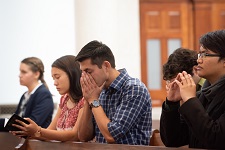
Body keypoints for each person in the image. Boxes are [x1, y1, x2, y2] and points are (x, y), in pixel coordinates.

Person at [76, 40, 152, 145]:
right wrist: (87, 100)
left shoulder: (134, 89)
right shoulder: (98, 91)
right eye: (82, 73)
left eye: (88, 72)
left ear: (106, 66)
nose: (85, 77)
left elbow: (111, 135)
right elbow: (84, 136)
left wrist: (93, 100)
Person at [160, 29, 225, 149]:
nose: (198, 60)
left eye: (205, 54)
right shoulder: (202, 95)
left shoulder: (195, 98)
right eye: (200, 54)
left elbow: (216, 139)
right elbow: (173, 140)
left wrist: (190, 99)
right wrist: (172, 104)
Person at [11, 55, 84, 141]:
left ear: (72, 74)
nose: (55, 83)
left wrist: (38, 130)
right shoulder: (64, 99)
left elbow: (74, 135)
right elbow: (50, 131)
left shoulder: (84, 100)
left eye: (57, 77)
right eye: (53, 79)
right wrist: (30, 134)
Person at [0, 57, 54, 131]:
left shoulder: (44, 94)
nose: (20, 75)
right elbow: (16, 119)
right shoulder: (25, 95)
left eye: (24, 72)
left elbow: (32, 124)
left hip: (37, 141)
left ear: (36, 74)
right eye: (20, 71)